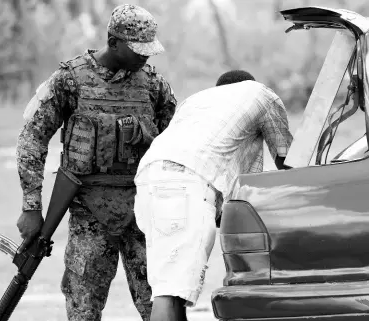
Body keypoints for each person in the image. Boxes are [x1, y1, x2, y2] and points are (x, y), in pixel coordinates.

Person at [15, 4, 176, 321]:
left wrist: (144, 136)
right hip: (90, 210)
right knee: (83, 308)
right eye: (137, 50)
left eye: (149, 50)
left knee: (160, 304)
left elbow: (176, 144)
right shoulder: (70, 80)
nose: (145, 57)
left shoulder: (154, 84)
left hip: (143, 211)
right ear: (113, 42)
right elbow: (32, 137)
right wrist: (31, 206)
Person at [133, 70, 293, 321]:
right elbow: (288, 162)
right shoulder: (262, 95)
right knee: (168, 292)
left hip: (149, 181)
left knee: (173, 289)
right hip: (186, 185)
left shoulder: (197, 101)